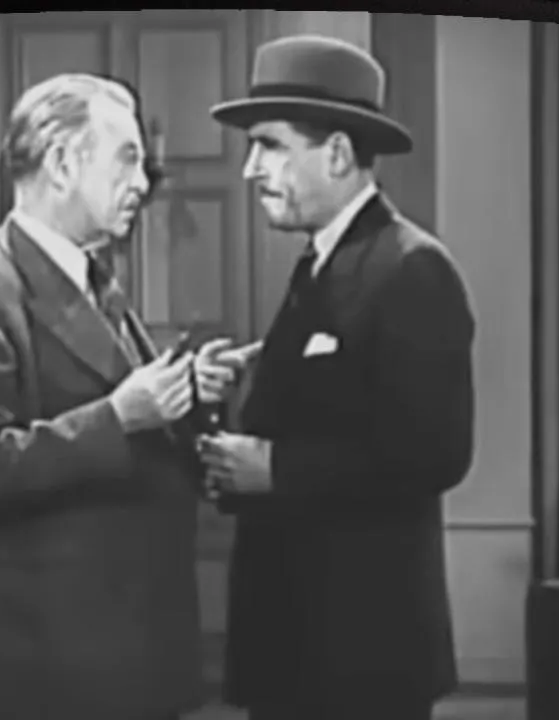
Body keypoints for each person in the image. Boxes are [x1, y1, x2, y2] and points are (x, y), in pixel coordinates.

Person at [0, 73, 238, 720]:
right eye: (127, 159)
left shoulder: (94, 280)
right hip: (50, 667)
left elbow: (135, 418)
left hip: (126, 649)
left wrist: (186, 394)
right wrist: (117, 418)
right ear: (64, 164)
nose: (143, 183)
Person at [197, 35, 478, 720]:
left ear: (339, 154)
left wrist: (275, 469)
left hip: (361, 651)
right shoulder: (323, 262)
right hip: (299, 644)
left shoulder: (411, 268)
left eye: (269, 146)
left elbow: (436, 454)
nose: (250, 170)